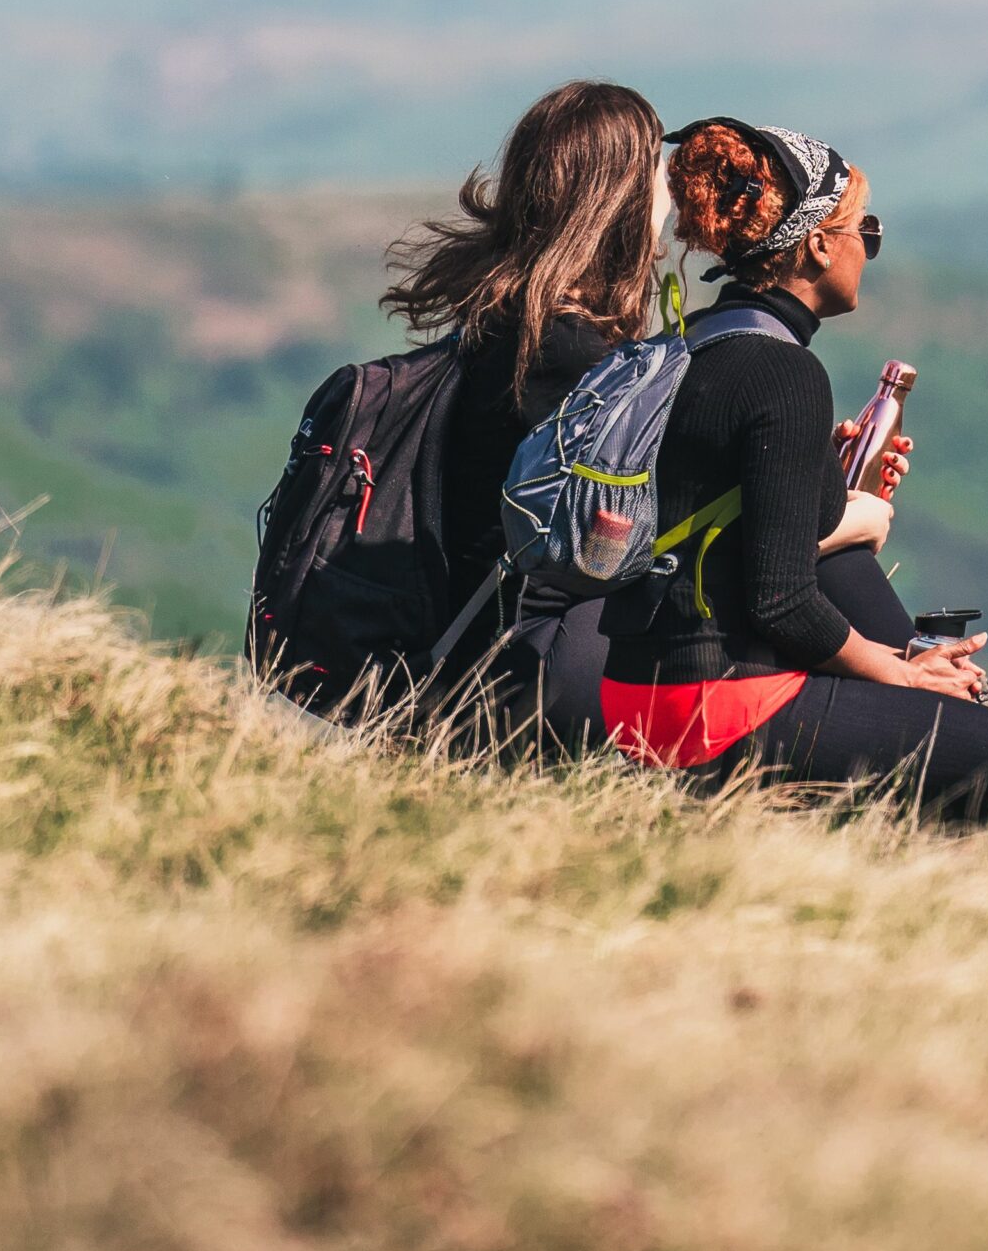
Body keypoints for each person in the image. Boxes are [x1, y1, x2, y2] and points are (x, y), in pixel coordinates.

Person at [598, 116, 988, 854]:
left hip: (635, 693)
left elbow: (728, 525)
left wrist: (818, 478)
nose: (869, 245)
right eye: (863, 227)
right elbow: (782, 600)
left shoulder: (693, 344)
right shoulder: (786, 373)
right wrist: (902, 676)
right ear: (817, 244)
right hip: (715, 708)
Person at [385, 81, 925, 754]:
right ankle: (948, 718)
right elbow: (646, 543)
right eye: (658, 185)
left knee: (816, 560)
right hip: (531, 659)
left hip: (499, 639)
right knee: (828, 568)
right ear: (617, 200)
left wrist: (801, 474)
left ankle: (952, 716)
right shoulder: (574, 357)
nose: (676, 207)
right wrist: (847, 518)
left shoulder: (520, 328)